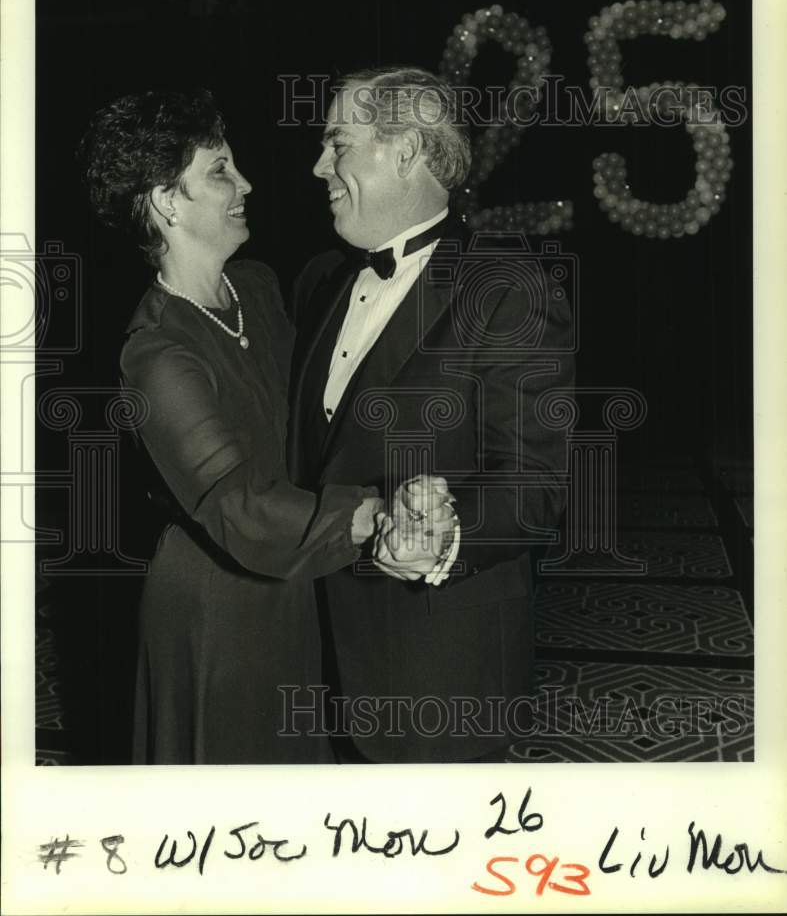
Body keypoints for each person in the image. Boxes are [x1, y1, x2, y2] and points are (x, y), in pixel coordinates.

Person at [78, 88, 454, 765]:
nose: (245, 183)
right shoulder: (157, 353)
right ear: (167, 202)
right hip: (221, 605)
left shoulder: (256, 287)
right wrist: (375, 518)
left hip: (300, 579)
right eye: (219, 170)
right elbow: (234, 502)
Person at [289, 67, 575, 763]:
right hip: (309, 658)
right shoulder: (320, 279)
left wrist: (444, 540)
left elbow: (538, 485)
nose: (318, 164)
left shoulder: (506, 289)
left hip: (434, 672)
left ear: (406, 151)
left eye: (338, 144)